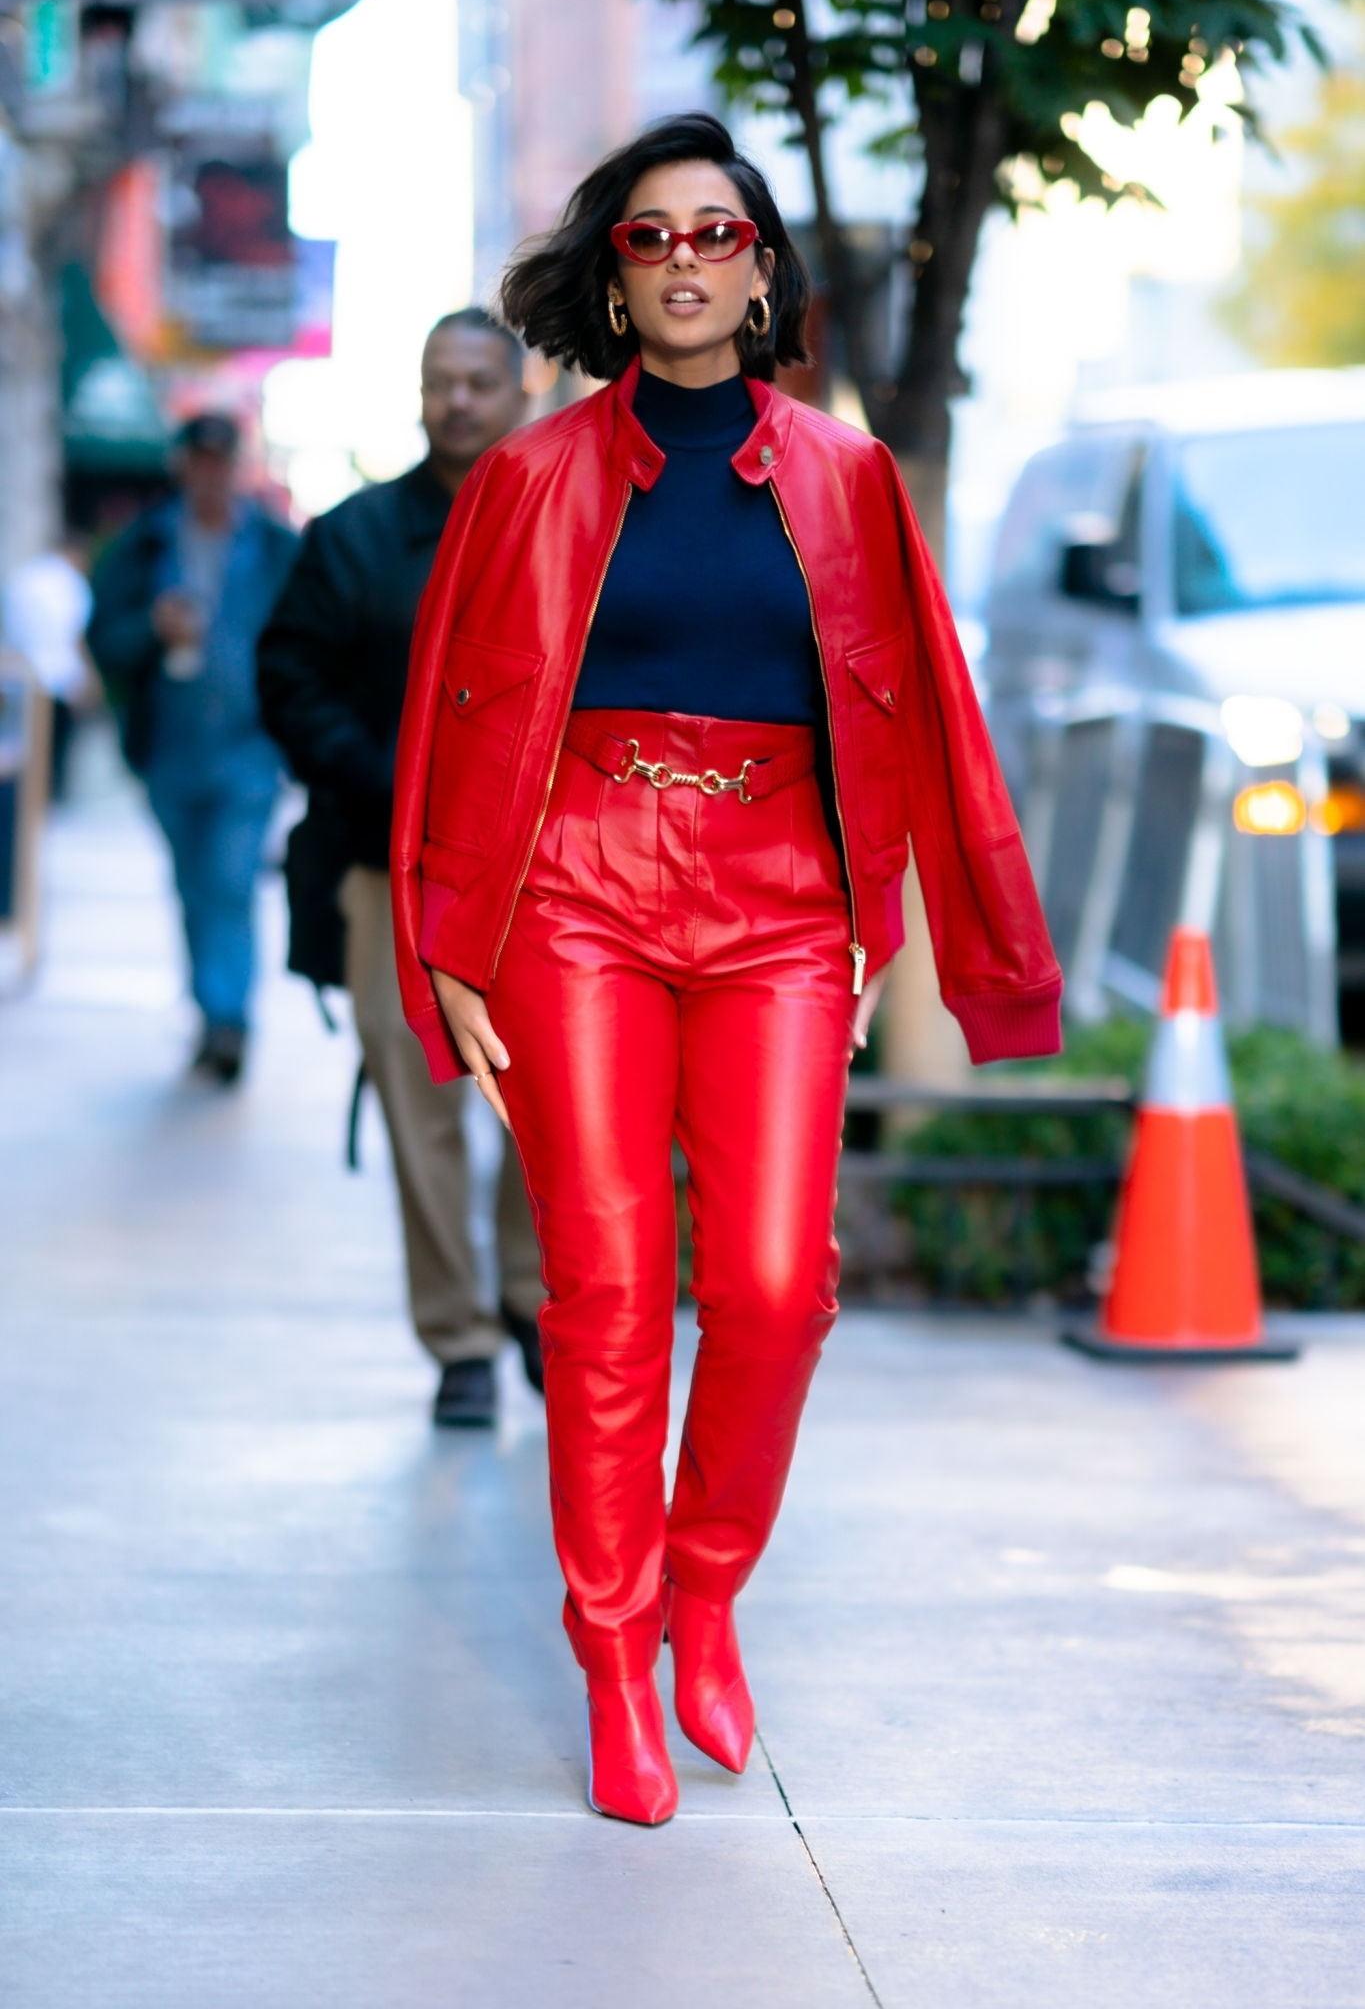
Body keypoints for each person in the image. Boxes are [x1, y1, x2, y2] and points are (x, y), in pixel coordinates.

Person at [392, 115, 1063, 1826]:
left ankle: (706, 1586)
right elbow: (453, 727)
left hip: (776, 899)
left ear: (763, 272)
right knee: (607, 1292)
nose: (682, 259)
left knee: (774, 1282)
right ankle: (615, 1656)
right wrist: (446, 937)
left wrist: (897, 921)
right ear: (613, 286)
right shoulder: (529, 481)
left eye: (714, 233)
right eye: (646, 240)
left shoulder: (847, 479)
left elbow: (923, 715)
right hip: (579, 892)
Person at [257, 310, 545, 1430]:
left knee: (544, 1100)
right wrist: (388, 778)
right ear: (421, 396)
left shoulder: (566, 527)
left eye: (480, 381)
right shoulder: (352, 538)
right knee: (417, 1102)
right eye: (442, 383)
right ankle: (460, 1337)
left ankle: (529, 1296)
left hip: (538, 876)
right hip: (389, 866)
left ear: (518, 391)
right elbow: (288, 677)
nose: (460, 401)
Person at [88, 414, 297, 1083]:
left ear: (236, 465)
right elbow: (103, 641)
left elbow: (308, 639)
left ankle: (228, 1019)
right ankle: (211, 1011)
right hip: (170, 748)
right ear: (182, 465)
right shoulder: (145, 545)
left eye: (221, 460)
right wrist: (151, 630)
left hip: (250, 749)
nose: (210, 473)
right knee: (192, 884)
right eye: (199, 460)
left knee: (231, 881)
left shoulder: (273, 545)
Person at [0, 534, 96, 802]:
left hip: (21, 676)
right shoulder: (69, 582)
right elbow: (74, 635)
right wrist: (88, 678)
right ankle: (48, 803)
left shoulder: (24, 577)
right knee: (56, 753)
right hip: (60, 679)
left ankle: (29, 806)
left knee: (25, 751)